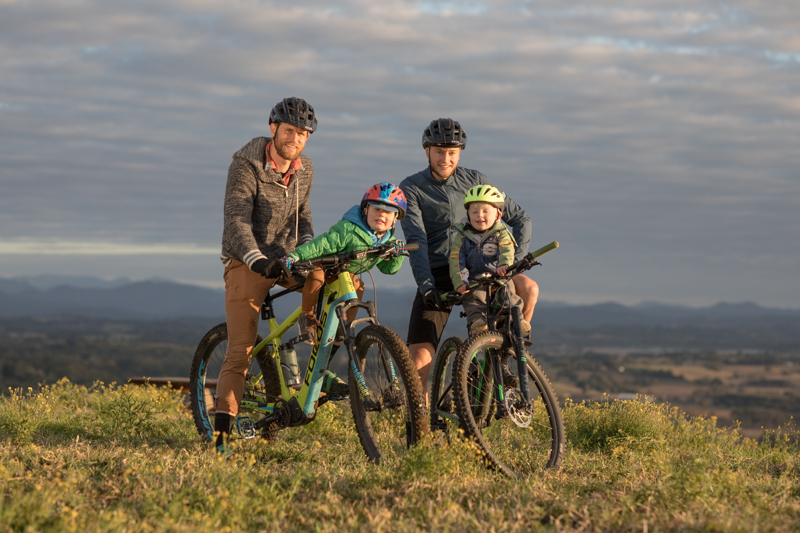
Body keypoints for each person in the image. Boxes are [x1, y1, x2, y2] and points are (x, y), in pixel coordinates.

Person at [399, 118, 539, 400]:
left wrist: (512, 265)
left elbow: (520, 217)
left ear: (460, 152)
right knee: (418, 363)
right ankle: (421, 432)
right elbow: (416, 241)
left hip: (484, 268)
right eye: (439, 151)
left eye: (452, 152)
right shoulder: (412, 187)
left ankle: (496, 361)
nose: (445, 158)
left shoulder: (476, 180)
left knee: (529, 289)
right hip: (439, 272)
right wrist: (426, 285)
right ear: (427, 151)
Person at [215, 97, 317, 452]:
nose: (296, 139)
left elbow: (303, 217)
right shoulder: (245, 166)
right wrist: (256, 259)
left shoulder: (305, 169)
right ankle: (221, 439)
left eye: (303, 134)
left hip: (287, 260)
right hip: (247, 260)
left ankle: (316, 356)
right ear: (273, 129)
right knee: (240, 349)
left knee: (334, 282)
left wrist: (307, 250)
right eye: (290, 131)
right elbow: (237, 220)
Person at [279, 182, 408, 396]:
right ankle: (308, 317)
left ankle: (340, 332)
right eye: (377, 209)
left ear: (396, 219)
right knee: (319, 271)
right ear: (366, 209)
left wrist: (395, 254)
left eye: (388, 213)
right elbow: (318, 246)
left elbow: (388, 269)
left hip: (345, 281)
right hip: (321, 274)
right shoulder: (348, 229)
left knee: (358, 284)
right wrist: (295, 256)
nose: (381, 216)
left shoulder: (386, 239)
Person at [450, 184, 529, 336]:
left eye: (486, 211)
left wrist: (504, 265)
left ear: (498, 216)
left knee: (509, 295)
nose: (480, 215)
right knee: (473, 299)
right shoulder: (462, 235)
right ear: (468, 214)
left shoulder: (501, 233)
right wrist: (460, 281)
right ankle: (478, 322)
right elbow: (456, 260)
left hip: (499, 277)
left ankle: (518, 320)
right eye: (474, 211)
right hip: (474, 280)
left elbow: (507, 248)